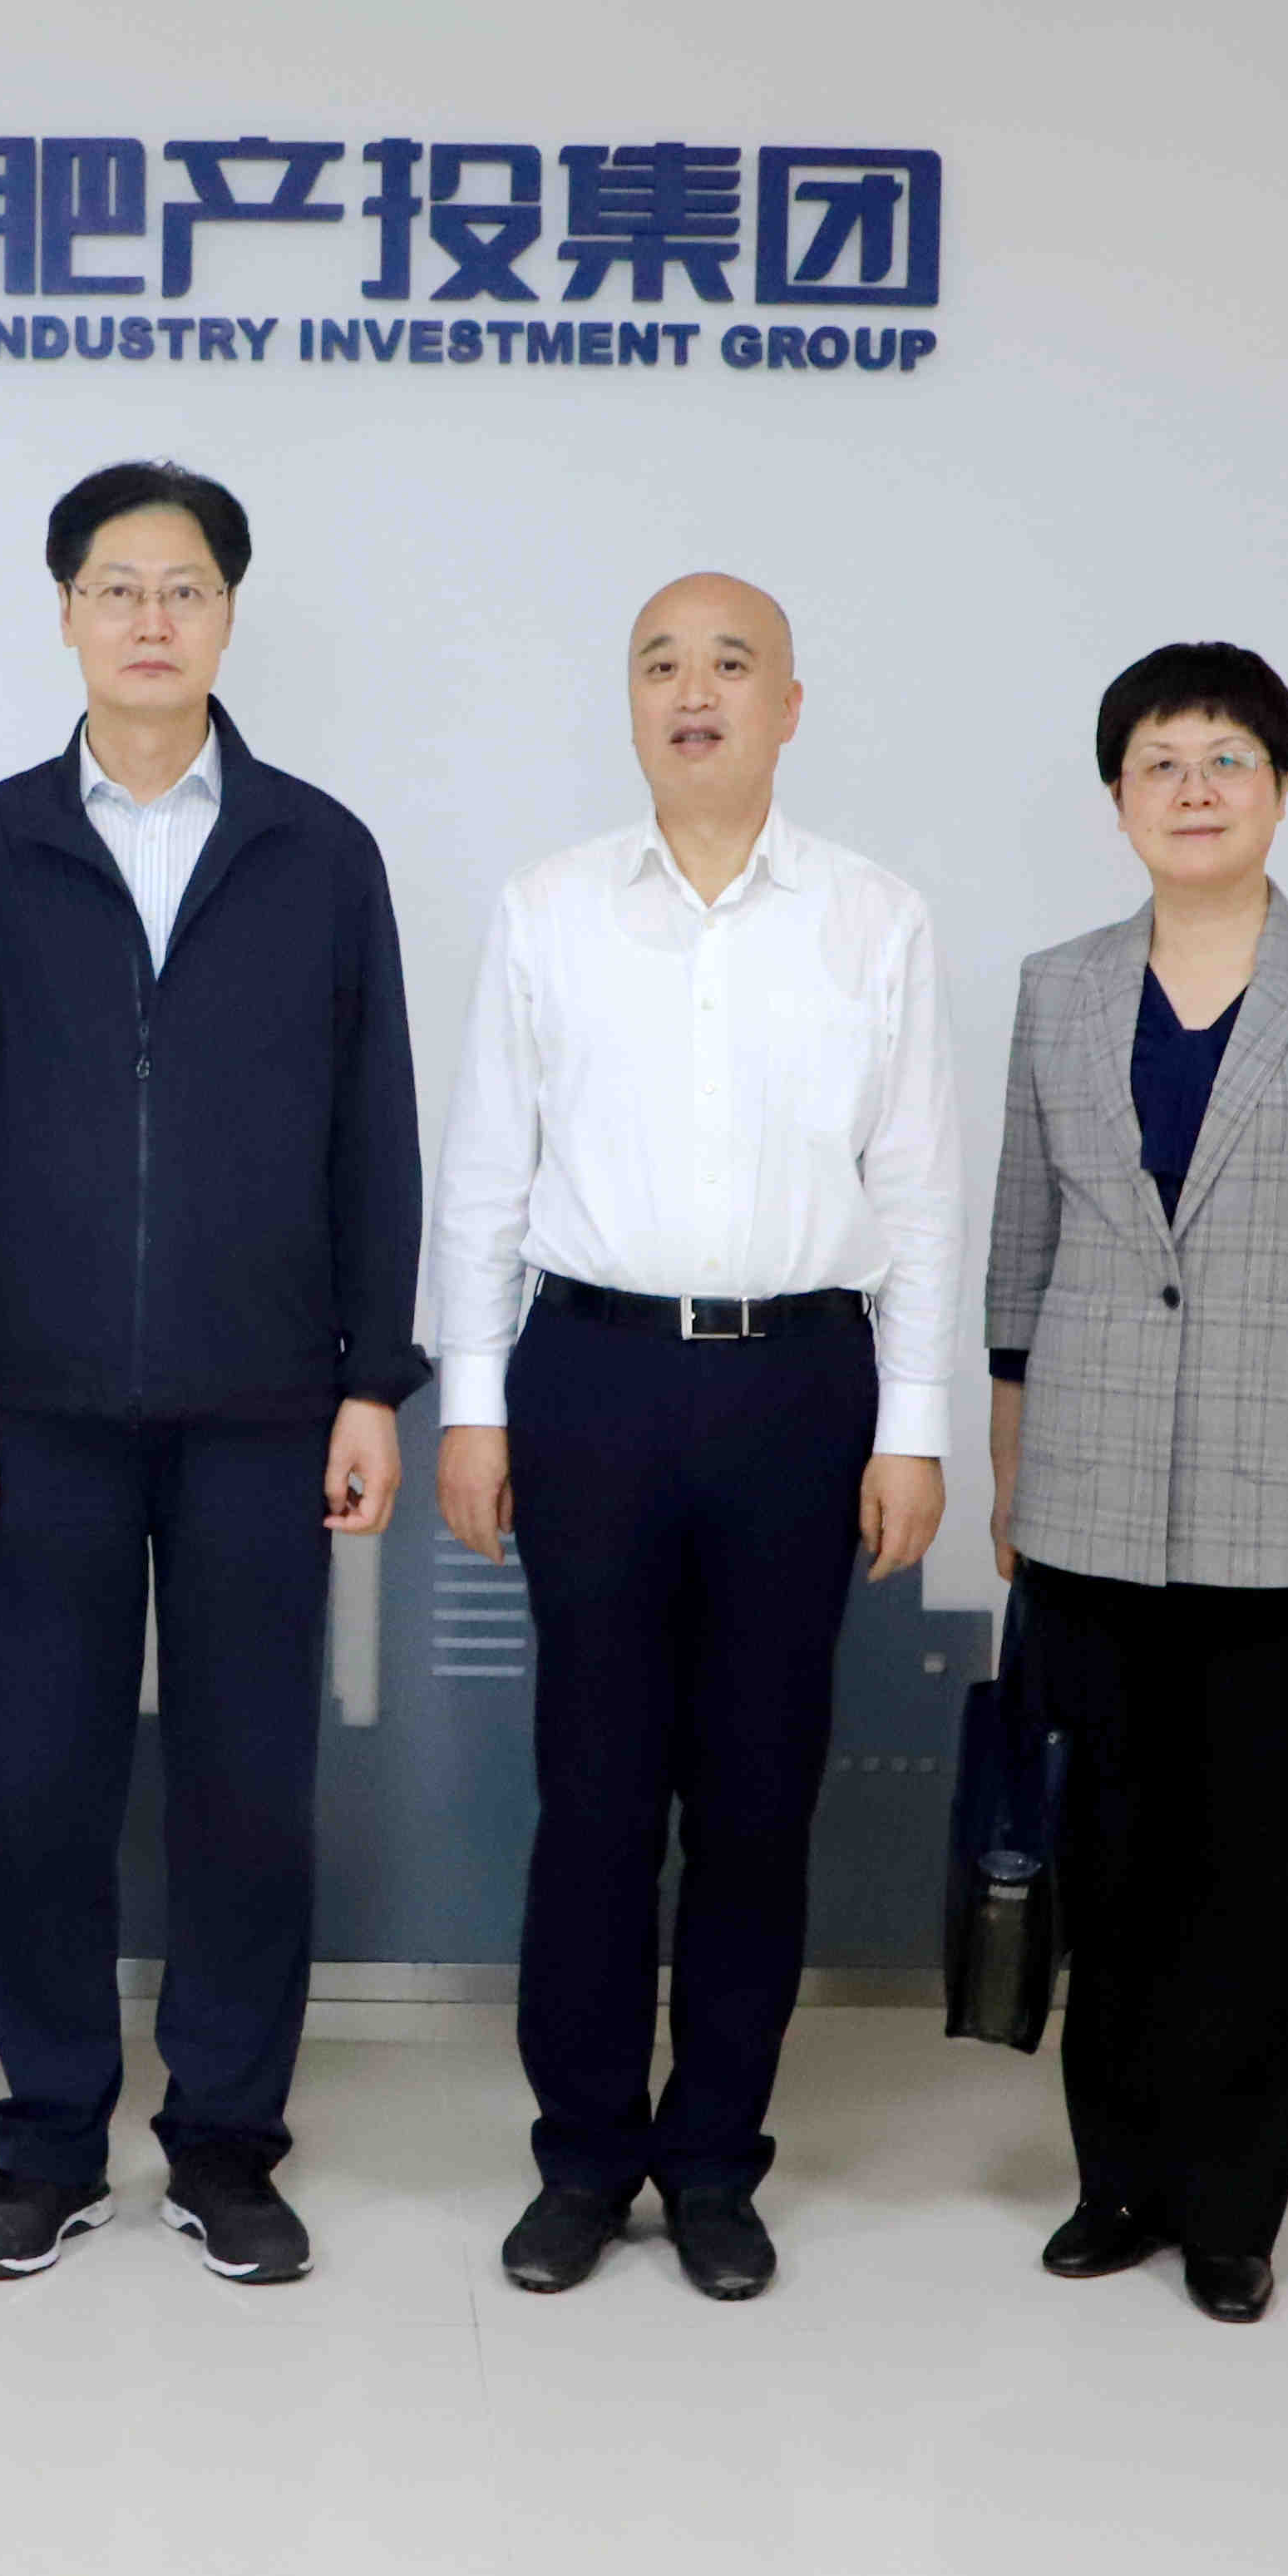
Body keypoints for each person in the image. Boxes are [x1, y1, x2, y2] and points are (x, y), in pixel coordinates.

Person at [0, 460, 426, 2287]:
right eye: (116, 587)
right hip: (30, 1410)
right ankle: (46, 2142)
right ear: (65, 614)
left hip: (267, 1407)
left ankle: (227, 2144)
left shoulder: (319, 851)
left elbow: (374, 1130)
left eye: (185, 587)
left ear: (230, 615)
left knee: (248, 1792)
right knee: (44, 1787)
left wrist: (372, 1381)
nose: (151, 619)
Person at [427, 575, 959, 2302]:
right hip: (590, 1377)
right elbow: (485, 1171)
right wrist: (475, 1406)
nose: (693, 690)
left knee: (755, 1795)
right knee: (592, 1795)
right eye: (660, 663)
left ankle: (717, 2161)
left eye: (731, 663)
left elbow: (919, 1189)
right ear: (631, 703)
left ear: (789, 706)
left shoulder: (874, 917)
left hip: (801, 1386)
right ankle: (584, 2158)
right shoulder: (549, 909)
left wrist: (914, 1426)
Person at [982, 641, 1288, 2326]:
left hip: (1287, 1498)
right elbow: (1021, 1248)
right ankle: (1118, 2177)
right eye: (1162, 763)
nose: (1195, 789)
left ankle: (1236, 2205)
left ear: (1282, 788)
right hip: (1088, 1494)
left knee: (1252, 1868)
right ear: (1118, 798)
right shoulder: (1058, 987)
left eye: (1228, 758)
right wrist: (1013, 1472)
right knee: (1110, 1852)